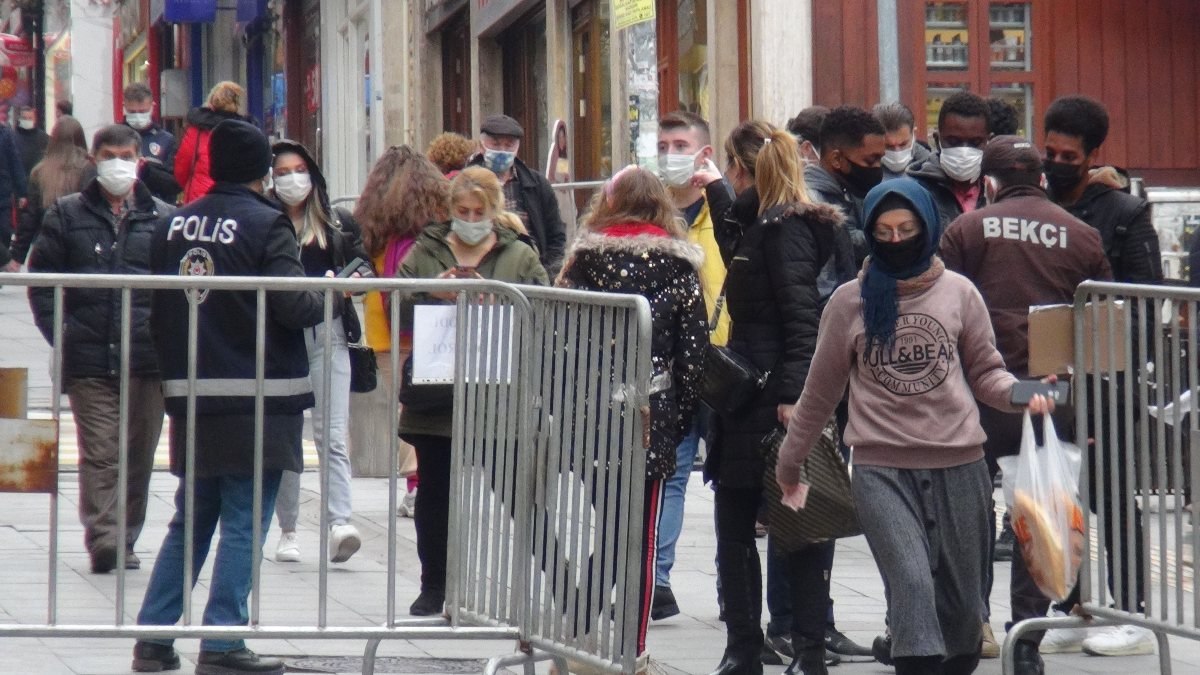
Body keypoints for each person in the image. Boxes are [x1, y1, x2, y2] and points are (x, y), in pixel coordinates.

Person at [776, 177, 1054, 675]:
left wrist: (1022, 393)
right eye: (883, 230)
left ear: (926, 227)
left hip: (961, 465)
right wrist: (790, 461)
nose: (896, 239)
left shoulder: (959, 293)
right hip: (881, 469)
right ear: (869, 232)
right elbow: (821, 391)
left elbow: (987, 373)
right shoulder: (848, 301)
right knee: (911, 585)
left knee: (962, 614)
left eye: (907, 228)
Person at [132, 119, 324, 675]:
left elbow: (159, 310)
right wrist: (329, 298)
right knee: (245, 518)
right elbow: (291, 306)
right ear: (264, 170)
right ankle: (222, 641)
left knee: (191, 519)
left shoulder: (172, 225)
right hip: (259, 394)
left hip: (193, 394)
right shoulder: (267, 224)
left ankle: (153, 636)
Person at [940, 136, 1112, 675]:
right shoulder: (1082, 234)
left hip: (976, 392)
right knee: (1037, 511)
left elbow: (938, 301)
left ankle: (969, 626)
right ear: (1040, 178)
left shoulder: (966, 229)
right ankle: (1027, 637)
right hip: (1051, 393)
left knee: (965, 515)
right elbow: (1103, 321)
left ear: (986, 184)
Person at [706, 121, 844, 675]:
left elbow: (801, 316)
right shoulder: (766, 224)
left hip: (772, 397)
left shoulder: (785, 228)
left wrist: (793, 395)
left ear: (752, 171)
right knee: (740, 524)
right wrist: (719, 197)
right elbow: (740, 254)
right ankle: (746, 647)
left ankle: (801, 649)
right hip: (749, 397)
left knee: (794, 525)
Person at [556, 164, 707, 659]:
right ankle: (632, 648)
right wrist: (682, 416)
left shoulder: (583, 261)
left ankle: (577, 627)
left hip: (589, 413)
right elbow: (693, 352)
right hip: (651, 412)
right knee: (638, 534)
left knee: (610, 521)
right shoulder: (680, 266)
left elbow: (562, 339)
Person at [1039, 95, 1160, 658]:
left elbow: (1145, 298)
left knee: (1111, 495)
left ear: (1091, 156)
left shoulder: (1123, 212)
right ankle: (1075, 605)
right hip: (1048, 377)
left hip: (1106, 380)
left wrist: (1096, 344)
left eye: (1069, 155)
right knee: (1060, 496)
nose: (1057, 162)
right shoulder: (1035, 201)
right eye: (1050, 151)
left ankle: (1133, 612)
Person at [400, 165, 548, 617]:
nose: (469, 217)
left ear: (493, 211)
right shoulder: (425, 251)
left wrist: (501, 298)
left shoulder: (518, 254)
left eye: (477, 211)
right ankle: (435, 584)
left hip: (498, 394)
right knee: (435, 493)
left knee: (516, 493)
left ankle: (554, 581)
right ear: (450, 209)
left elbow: (542, 307)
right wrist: (430, 293)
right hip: (436, 391)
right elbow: (395, 303)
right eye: (461, 210)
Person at [26, 123, 171, 574]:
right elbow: (42, 282)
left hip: (147, 358)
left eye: (127, 156)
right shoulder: (67, 215)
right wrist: (62, 332)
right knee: (102, 450)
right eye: (110, 156)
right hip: (89, 357)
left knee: (139, 452)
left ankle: (126, 535)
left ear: (139, 160)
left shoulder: (163, 217)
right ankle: (105, 537)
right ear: (93, 158)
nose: (119, 165)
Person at [269, 139, 368, 564]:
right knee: (288, 434)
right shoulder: (266, 222)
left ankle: (339, 523)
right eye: (283, 171)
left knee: (332, 434)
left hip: (328, 330)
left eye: (299, 169)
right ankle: (288, 529)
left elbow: (364, 265)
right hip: (282, 335)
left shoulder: (335, 223)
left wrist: (346, 283)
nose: (293, 179)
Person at [650, 110, 731, 621]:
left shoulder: (725, 210)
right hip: (672, 363)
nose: (670, 154)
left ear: (703, 153)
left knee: (730, 480)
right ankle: (657, 581)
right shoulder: (650, 212)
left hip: (726, 364)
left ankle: (732, 586)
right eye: (663, 145)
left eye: (680, 144)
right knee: (673, 471)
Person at [349, 146, 448, 517]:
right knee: (422, 409)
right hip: (432, 326)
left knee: (404, 408)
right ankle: (420, 483)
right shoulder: (435, 227)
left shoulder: (376, 225)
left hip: (385, 330)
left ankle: (416, 484)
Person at [468, 113, 566, 274]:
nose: (502, 150)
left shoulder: (537, 185)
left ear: (518, 148)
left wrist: (545, 274)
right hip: (479, 272)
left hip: (528, 274)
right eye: (496, 144)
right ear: (481, 145)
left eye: (509, 145)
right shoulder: (464, 182)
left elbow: (556, 236)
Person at [807, 105, 885, 301]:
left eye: (880, 160)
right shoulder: (811, 202)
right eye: (870, 161)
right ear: (836, 159)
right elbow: (822, 284)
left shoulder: (850, 192)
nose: (877, 169)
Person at [12, 115, 92, 265]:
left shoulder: (40, 172)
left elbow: (30, 216)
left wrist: (18, 255)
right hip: (81, 246)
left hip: (46, 245)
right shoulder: (88, 170)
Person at [907, 90, 991, 228]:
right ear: (937, 140)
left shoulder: (1001, 192)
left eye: (975, 143)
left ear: (989, 141)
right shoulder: (916, 192)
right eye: (953, 141)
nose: (964, 151)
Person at [175, 81, 253, 203]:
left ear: (210, 103)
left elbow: (182, 169)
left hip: (199, 201)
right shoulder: (246, 132)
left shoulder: (197, 130)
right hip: (235, 200)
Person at [123, 82, 181, 204]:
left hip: (157, 208)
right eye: (132, 112)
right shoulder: (114, 137)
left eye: (142, 111)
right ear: (124, 107)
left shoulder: (166, 140)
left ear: (152, 107)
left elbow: (175, 184)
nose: (138, 116)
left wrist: (147, 171)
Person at [873, 102, 932, 179]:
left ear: (913, 134)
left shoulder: (933, 170)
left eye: (903, 144)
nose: (897, 152)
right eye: (888, 146)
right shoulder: (862, 173)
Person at [0, 117, 27, 271]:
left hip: (3, 193)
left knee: (4, 230)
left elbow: (15, 162)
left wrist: (22, 192)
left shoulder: (5, 134)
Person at [14, 105, 48, 178]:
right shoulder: (12, 137)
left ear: (34, 120)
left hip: (38, 179)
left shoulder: (43, 137)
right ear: (19, 119)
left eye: (30, 118)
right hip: (19, 179)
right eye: (24, 118)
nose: (27, 121)